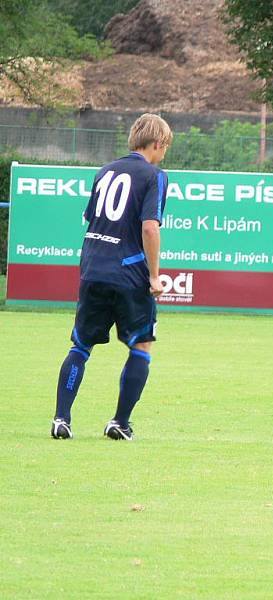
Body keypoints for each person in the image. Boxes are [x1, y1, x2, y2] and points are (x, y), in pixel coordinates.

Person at [50, 113, 172, 441]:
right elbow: (150, 226)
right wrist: (155, 276)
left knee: (81, 345)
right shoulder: (154, 175)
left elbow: (90, 218)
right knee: (142, 345)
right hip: (129, 272)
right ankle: (120, 422)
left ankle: (62, 418)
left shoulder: (105, 171)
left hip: (92, 268)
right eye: (165, 148)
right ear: (158, 144)